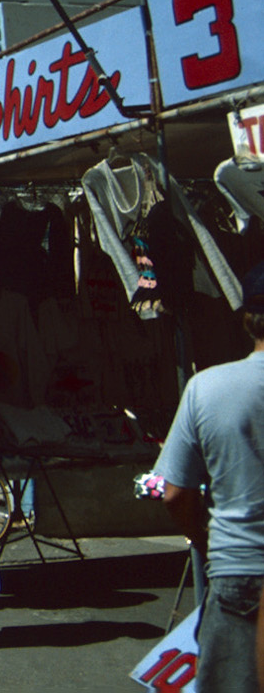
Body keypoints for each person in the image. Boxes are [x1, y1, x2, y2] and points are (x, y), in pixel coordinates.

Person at [155, 262, 264, 690]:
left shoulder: (207, 387)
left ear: (247, 320)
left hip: (238, 568)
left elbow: (173, 493)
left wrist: (203, 538)